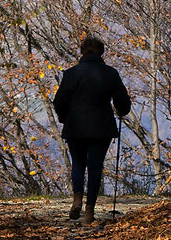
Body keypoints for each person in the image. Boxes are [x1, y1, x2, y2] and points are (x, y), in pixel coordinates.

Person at [51, 35, 131, 223]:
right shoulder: (111, 73)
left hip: (75, 126)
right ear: (102, 53)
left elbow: (59, 101)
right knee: (95, 167)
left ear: (81, 52)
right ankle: (89, 211)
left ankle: (77, 199)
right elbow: (123, 103)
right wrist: (121, 110)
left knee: (78, 163)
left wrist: (65, 118)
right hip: (101, 127)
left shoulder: (71, 74)